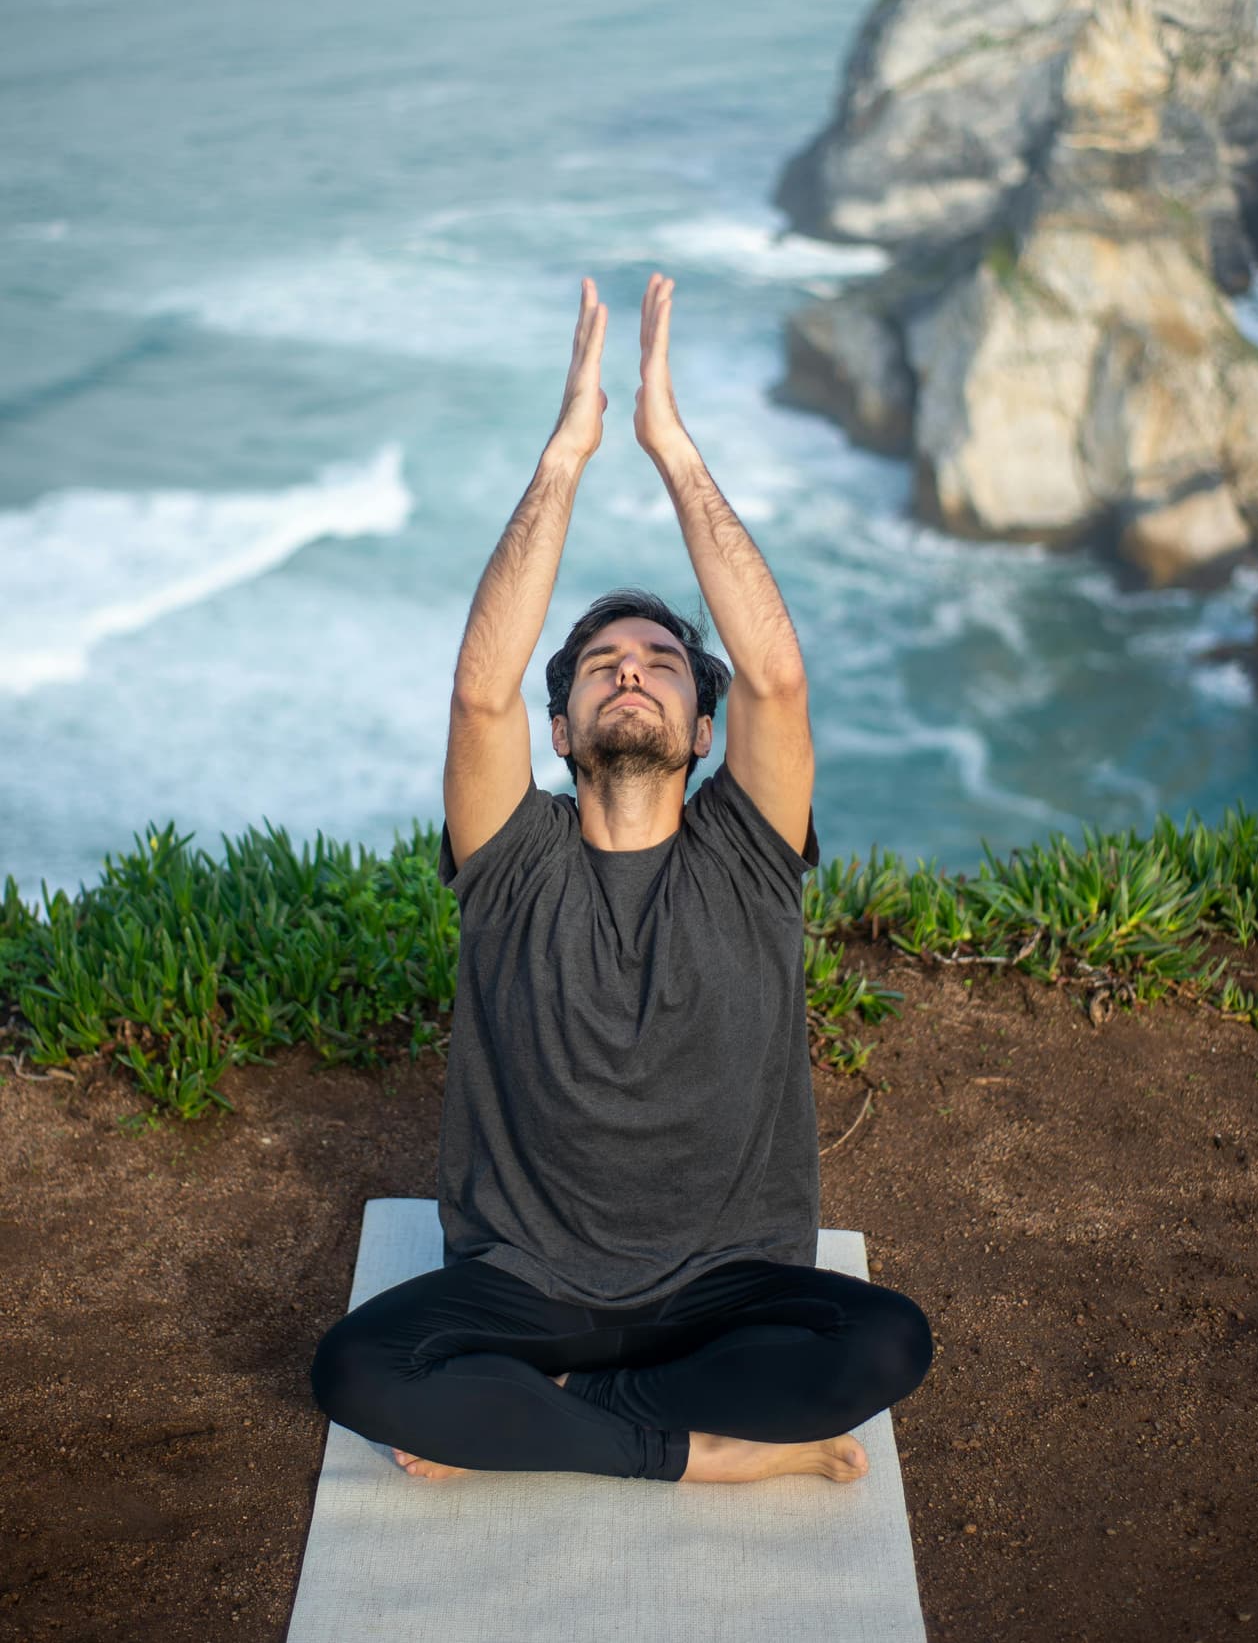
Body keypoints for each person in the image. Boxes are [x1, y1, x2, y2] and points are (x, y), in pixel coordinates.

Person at [310, 273, 933, 1486]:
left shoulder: (749, 852)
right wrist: (566, 453)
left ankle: (551, 1419)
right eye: (600, 663)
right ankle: (692, 1450)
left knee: (884, 1342)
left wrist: (668, 443)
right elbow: (478, 687)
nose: (632, 672)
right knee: (351, 1372)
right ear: (561, 728)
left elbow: (779, 677)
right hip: (523, 1286)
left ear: (705, 728)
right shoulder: (512, 861)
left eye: (660, 660)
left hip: (728, 1287)